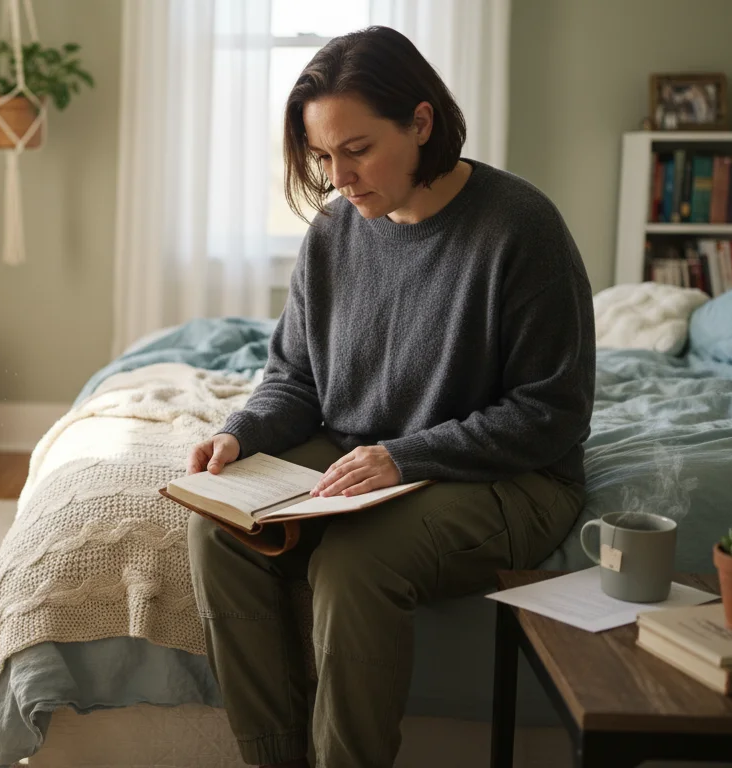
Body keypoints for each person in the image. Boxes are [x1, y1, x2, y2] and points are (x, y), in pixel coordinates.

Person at [184, 26, 595, 768]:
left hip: (512, 476)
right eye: (322, 156)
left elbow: (551, 411)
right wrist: (241, 434)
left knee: (354, 562)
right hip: (366, 453)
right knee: (219, 530)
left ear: (421, 122)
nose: (339, 177)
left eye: (358, 149)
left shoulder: (520, 226)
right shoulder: (334, 231)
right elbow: (296, 377)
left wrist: (405, 457)